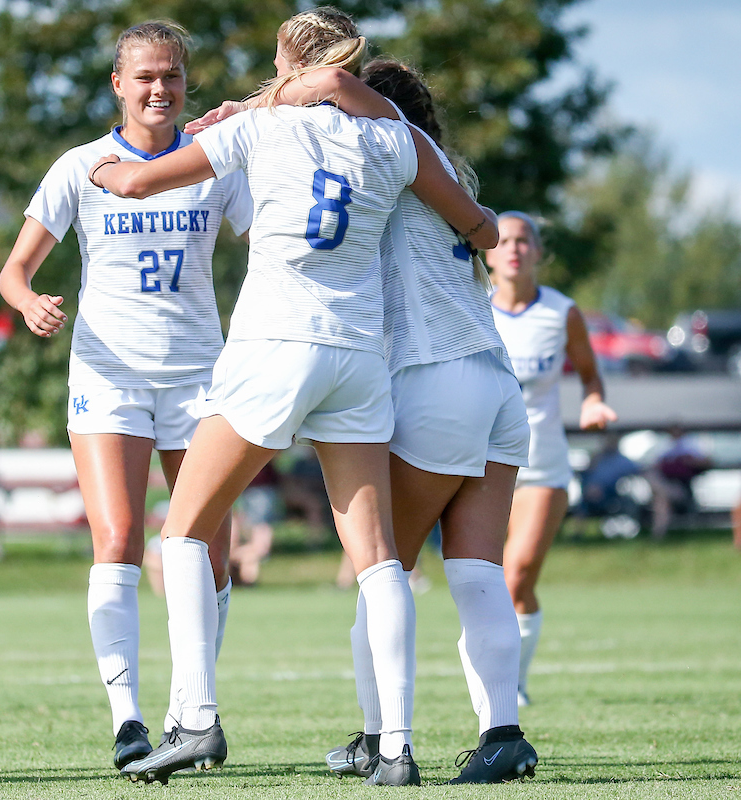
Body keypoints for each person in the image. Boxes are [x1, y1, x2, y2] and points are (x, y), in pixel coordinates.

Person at [91, 7, 499, 785]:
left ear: (288, 62)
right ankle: (395, 747)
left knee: (181, 533)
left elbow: (139, 180)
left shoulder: (260, 129)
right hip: (358, 357)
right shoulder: (398, 139)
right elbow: (473, 224)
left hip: (276, 346)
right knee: (378, 561)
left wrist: (100, 171)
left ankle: (195, 720)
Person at [215, 57, 536, 782]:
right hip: (494, 381)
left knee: (380, 571)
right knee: (479, 572)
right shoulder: (447, 172)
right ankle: (504, 736)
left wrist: (250, 109)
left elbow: (329, 107)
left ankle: (379, 738)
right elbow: (478, 233)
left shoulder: (379, 166)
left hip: (432, 379)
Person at [0, 21, 253, 771]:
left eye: (171, 75)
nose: (158, 89)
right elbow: (16, 270)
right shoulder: (81, 165)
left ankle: (190, 709)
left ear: (186, 83)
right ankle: (129, 720)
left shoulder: (214, 161)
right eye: (144, 76)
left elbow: (267, 237)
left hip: (201, 377)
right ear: (118, 83)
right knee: (119, 541)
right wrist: (27, 302)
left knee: (210, 549)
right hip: (108, 376)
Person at [487, 210, 617, 707]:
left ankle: (511, 685)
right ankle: (490, 680)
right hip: (480, 464)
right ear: (488, 252)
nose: (515, 248)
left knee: (516, 574)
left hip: (541, 466)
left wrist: (593, 400)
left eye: (525, 241)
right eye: (505, 240)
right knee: (481, 580)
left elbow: (589, 374)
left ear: (539, 253)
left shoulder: (562, 311)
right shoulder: (471, 306)